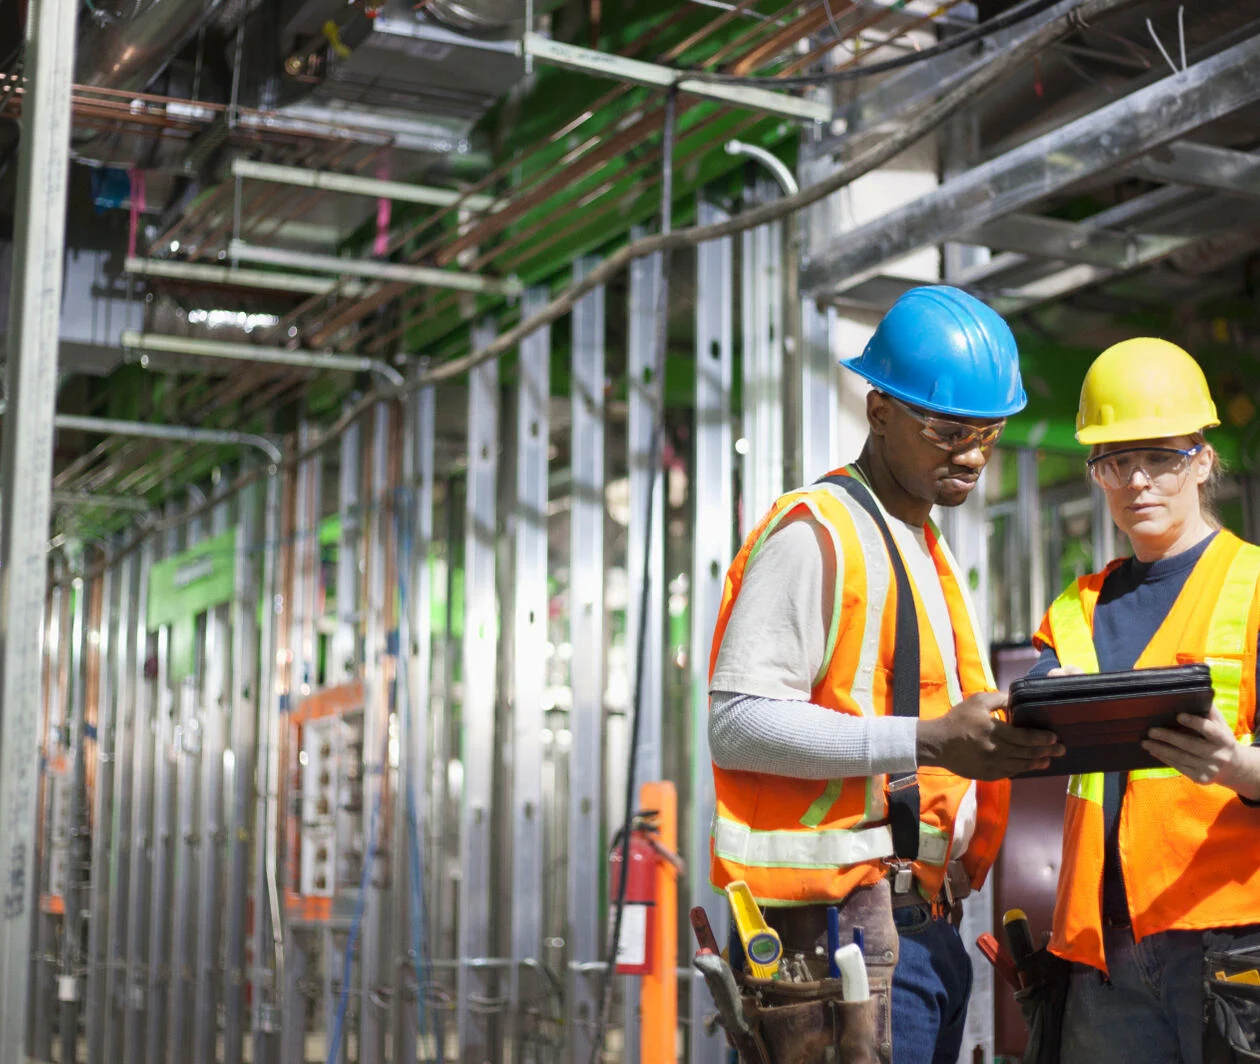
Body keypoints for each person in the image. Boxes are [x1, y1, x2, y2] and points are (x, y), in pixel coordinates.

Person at [707, 284, 1063, 1064]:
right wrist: (930, 740)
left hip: (920, 926)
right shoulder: (818, 534)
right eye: (948, 430)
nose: (971, 453)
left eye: (989, 433)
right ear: (880, 412)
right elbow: (736, 725)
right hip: (838, 937)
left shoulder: (917, 543)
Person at [1028, 337, 1260, 1064]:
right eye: (1113, 460)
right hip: (1104, 953)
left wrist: (1236, 766)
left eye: (1159, 456)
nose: (1136, 480)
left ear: (1202, 460)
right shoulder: (1075, 609)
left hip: (1229, 943)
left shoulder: (1254, 587)